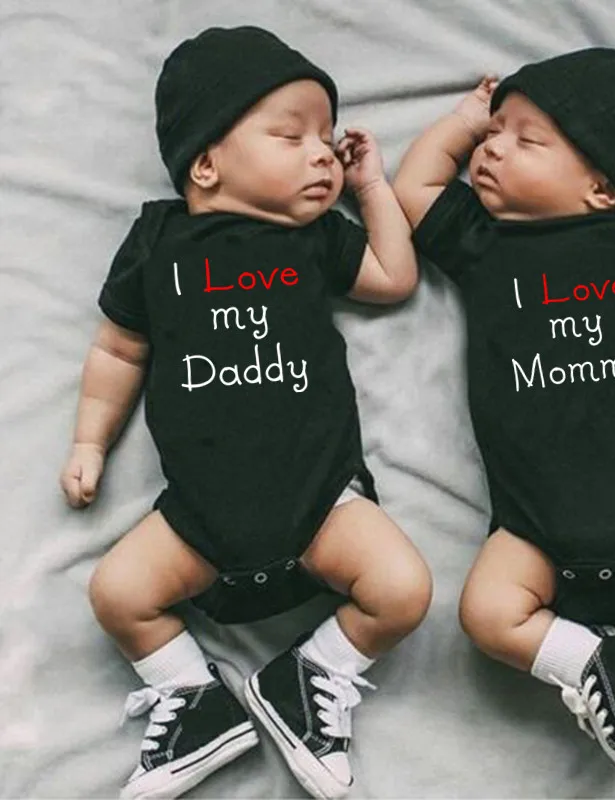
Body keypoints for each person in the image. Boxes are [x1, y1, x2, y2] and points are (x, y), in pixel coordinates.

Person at [60, 26, 431, 800]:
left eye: (327, 139)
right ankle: (195, 700)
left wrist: (371, 189)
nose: (323, 154)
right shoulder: (158, 241)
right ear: (205, 164)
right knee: (117, 593)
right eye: (292, 137)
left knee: (403, 590)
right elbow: (119, 351)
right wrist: (90, 441)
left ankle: (308, 676)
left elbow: (394, 277)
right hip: (199, 516)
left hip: (321, 503)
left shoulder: (314, 238)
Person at [393, 48, 615, 798]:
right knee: (488, 616)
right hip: (533, 523)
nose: (493, 149)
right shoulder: (484, 240)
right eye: (494, 132)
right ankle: (599, 665)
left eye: (526, 140)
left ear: (601, 188)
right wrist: (462, 120)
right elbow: (416, 187)